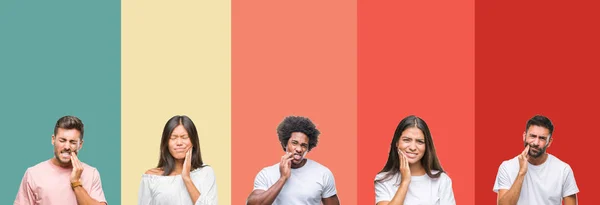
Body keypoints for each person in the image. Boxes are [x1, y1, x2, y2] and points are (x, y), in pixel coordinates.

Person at [246, 116, 340, 205]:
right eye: (294, 143)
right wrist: (283, 178)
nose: (299, 149)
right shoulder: (266, 174)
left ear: (308, 148)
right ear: (284, 144)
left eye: (303, 145)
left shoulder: (323, 173)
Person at [14, 115, 107, 205]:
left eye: (73, 142)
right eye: (62, 140)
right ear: (53, 140)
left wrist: (76, 183)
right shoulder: (33, 174)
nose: (67, 147)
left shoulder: (92, 174)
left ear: (80, 145)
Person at [493, 115, 579, 205]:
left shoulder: (563, 169)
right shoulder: (507, 167)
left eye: (542, 138)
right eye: (532, 136)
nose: (536, 143)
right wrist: (521, 173)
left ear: (549, 142)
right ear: (524, 136)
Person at [375, 115, 455, 205]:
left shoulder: (442, 180)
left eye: (420, 141)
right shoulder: (383, 179)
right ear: (397, 143)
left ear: (426, 146)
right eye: (407, 140)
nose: (413, 147)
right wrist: (405, 182)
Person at [138, 115, 218, 205]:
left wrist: (186, 178)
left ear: (193, 141)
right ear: (166, 143)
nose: (179, 143)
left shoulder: (205, 173)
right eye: (173, 138)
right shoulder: (151, 178)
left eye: (184, 137)